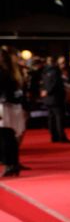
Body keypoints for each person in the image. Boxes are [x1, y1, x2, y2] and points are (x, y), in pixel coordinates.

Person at [0, 46, 28, 176]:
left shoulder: (4, 72)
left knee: (6, 137)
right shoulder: (14, 71)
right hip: (13, 107)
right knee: (10, 137)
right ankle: (13, 164)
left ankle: (10, 165)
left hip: (4, 106)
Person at [40, 55, 70, 142]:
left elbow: (43, 84)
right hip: (56, 98)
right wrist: (48, 91)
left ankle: (54, 137)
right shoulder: (55, 71)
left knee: (51, 118)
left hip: (48, 99)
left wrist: (44, 91)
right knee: (59, 118)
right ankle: (61, 137)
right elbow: (55, 84)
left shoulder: (44, 71)